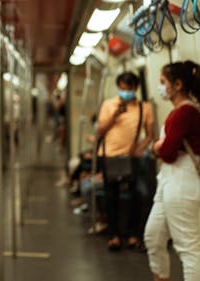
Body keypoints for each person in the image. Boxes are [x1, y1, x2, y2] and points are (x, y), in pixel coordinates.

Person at [144, 61, 200, 281]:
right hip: (169, 180)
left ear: (177, 85)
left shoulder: (185, 112)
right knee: (153, 236)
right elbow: (164, 145)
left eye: (162, 83)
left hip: (182, 181)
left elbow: (166, 150)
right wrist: (159, 146)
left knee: (188, 247)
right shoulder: (178, 112)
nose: (160, 87)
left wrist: (158, 147)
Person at [97, 71, 154, 250]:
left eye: (128, 89)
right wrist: (115, 115)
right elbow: (100, 130)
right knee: (111, 196)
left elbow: (150, 134)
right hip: (109, 155)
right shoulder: (108, 105)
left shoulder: (145, 108)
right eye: (122, 89)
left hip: (131, 157)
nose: (125, 93)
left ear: (135, 88)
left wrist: (141, 147)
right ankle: (113, 234)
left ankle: (133, 234)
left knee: (137, 196)